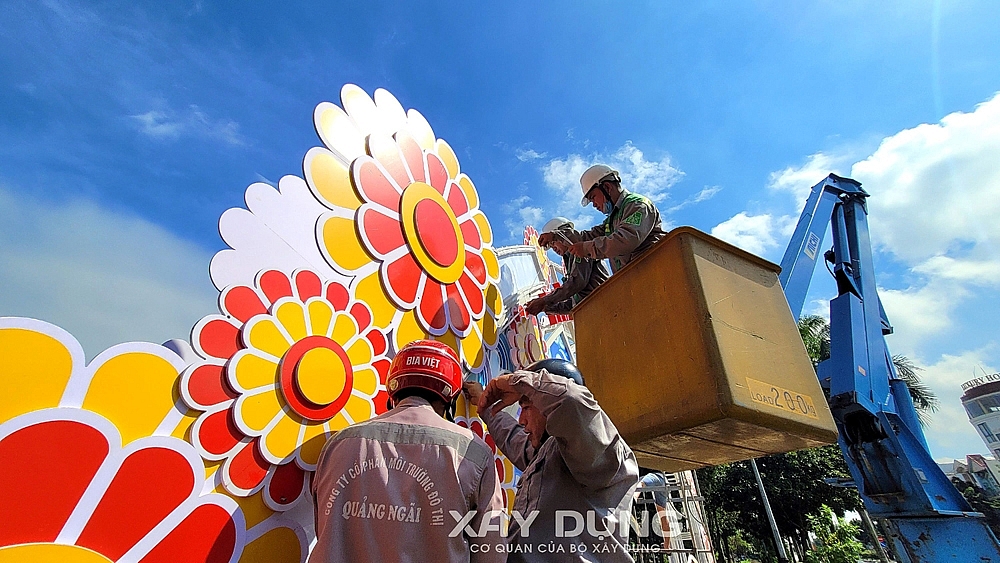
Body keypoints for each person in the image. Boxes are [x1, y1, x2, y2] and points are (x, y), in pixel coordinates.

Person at [310, 340, 506, 563]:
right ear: (450, 396)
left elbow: (324, 528)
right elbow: (490, 552)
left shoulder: (339, 444)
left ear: (394, 386)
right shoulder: (473, 452)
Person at [464, 358, 640, 562]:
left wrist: (516, 382)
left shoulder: (597, 450)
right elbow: (514, 438)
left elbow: (571, 399)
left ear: (548, 404)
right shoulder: (549, 452)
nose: (521, 420)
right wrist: (486, 407)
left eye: (527, 407)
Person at [537, 165, 666, 273]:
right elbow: (587, 236)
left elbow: (624, 241)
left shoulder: (638, 205)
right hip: (638, 278)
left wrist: (587, 249)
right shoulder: (612, 220)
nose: (594, 204)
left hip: (657, 272)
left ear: (607, 187)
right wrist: (555, 236)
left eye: (593, 197)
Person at [525, 217, 610, 316]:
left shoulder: (582, 249)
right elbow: (573, 303)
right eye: (551, 247)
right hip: (593, 312)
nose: (554, 249)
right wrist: (545, 307)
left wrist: (545, 300)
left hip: (605, 304)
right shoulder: (570, 263)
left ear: (561, 236)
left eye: (553, 243)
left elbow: (577, 282)